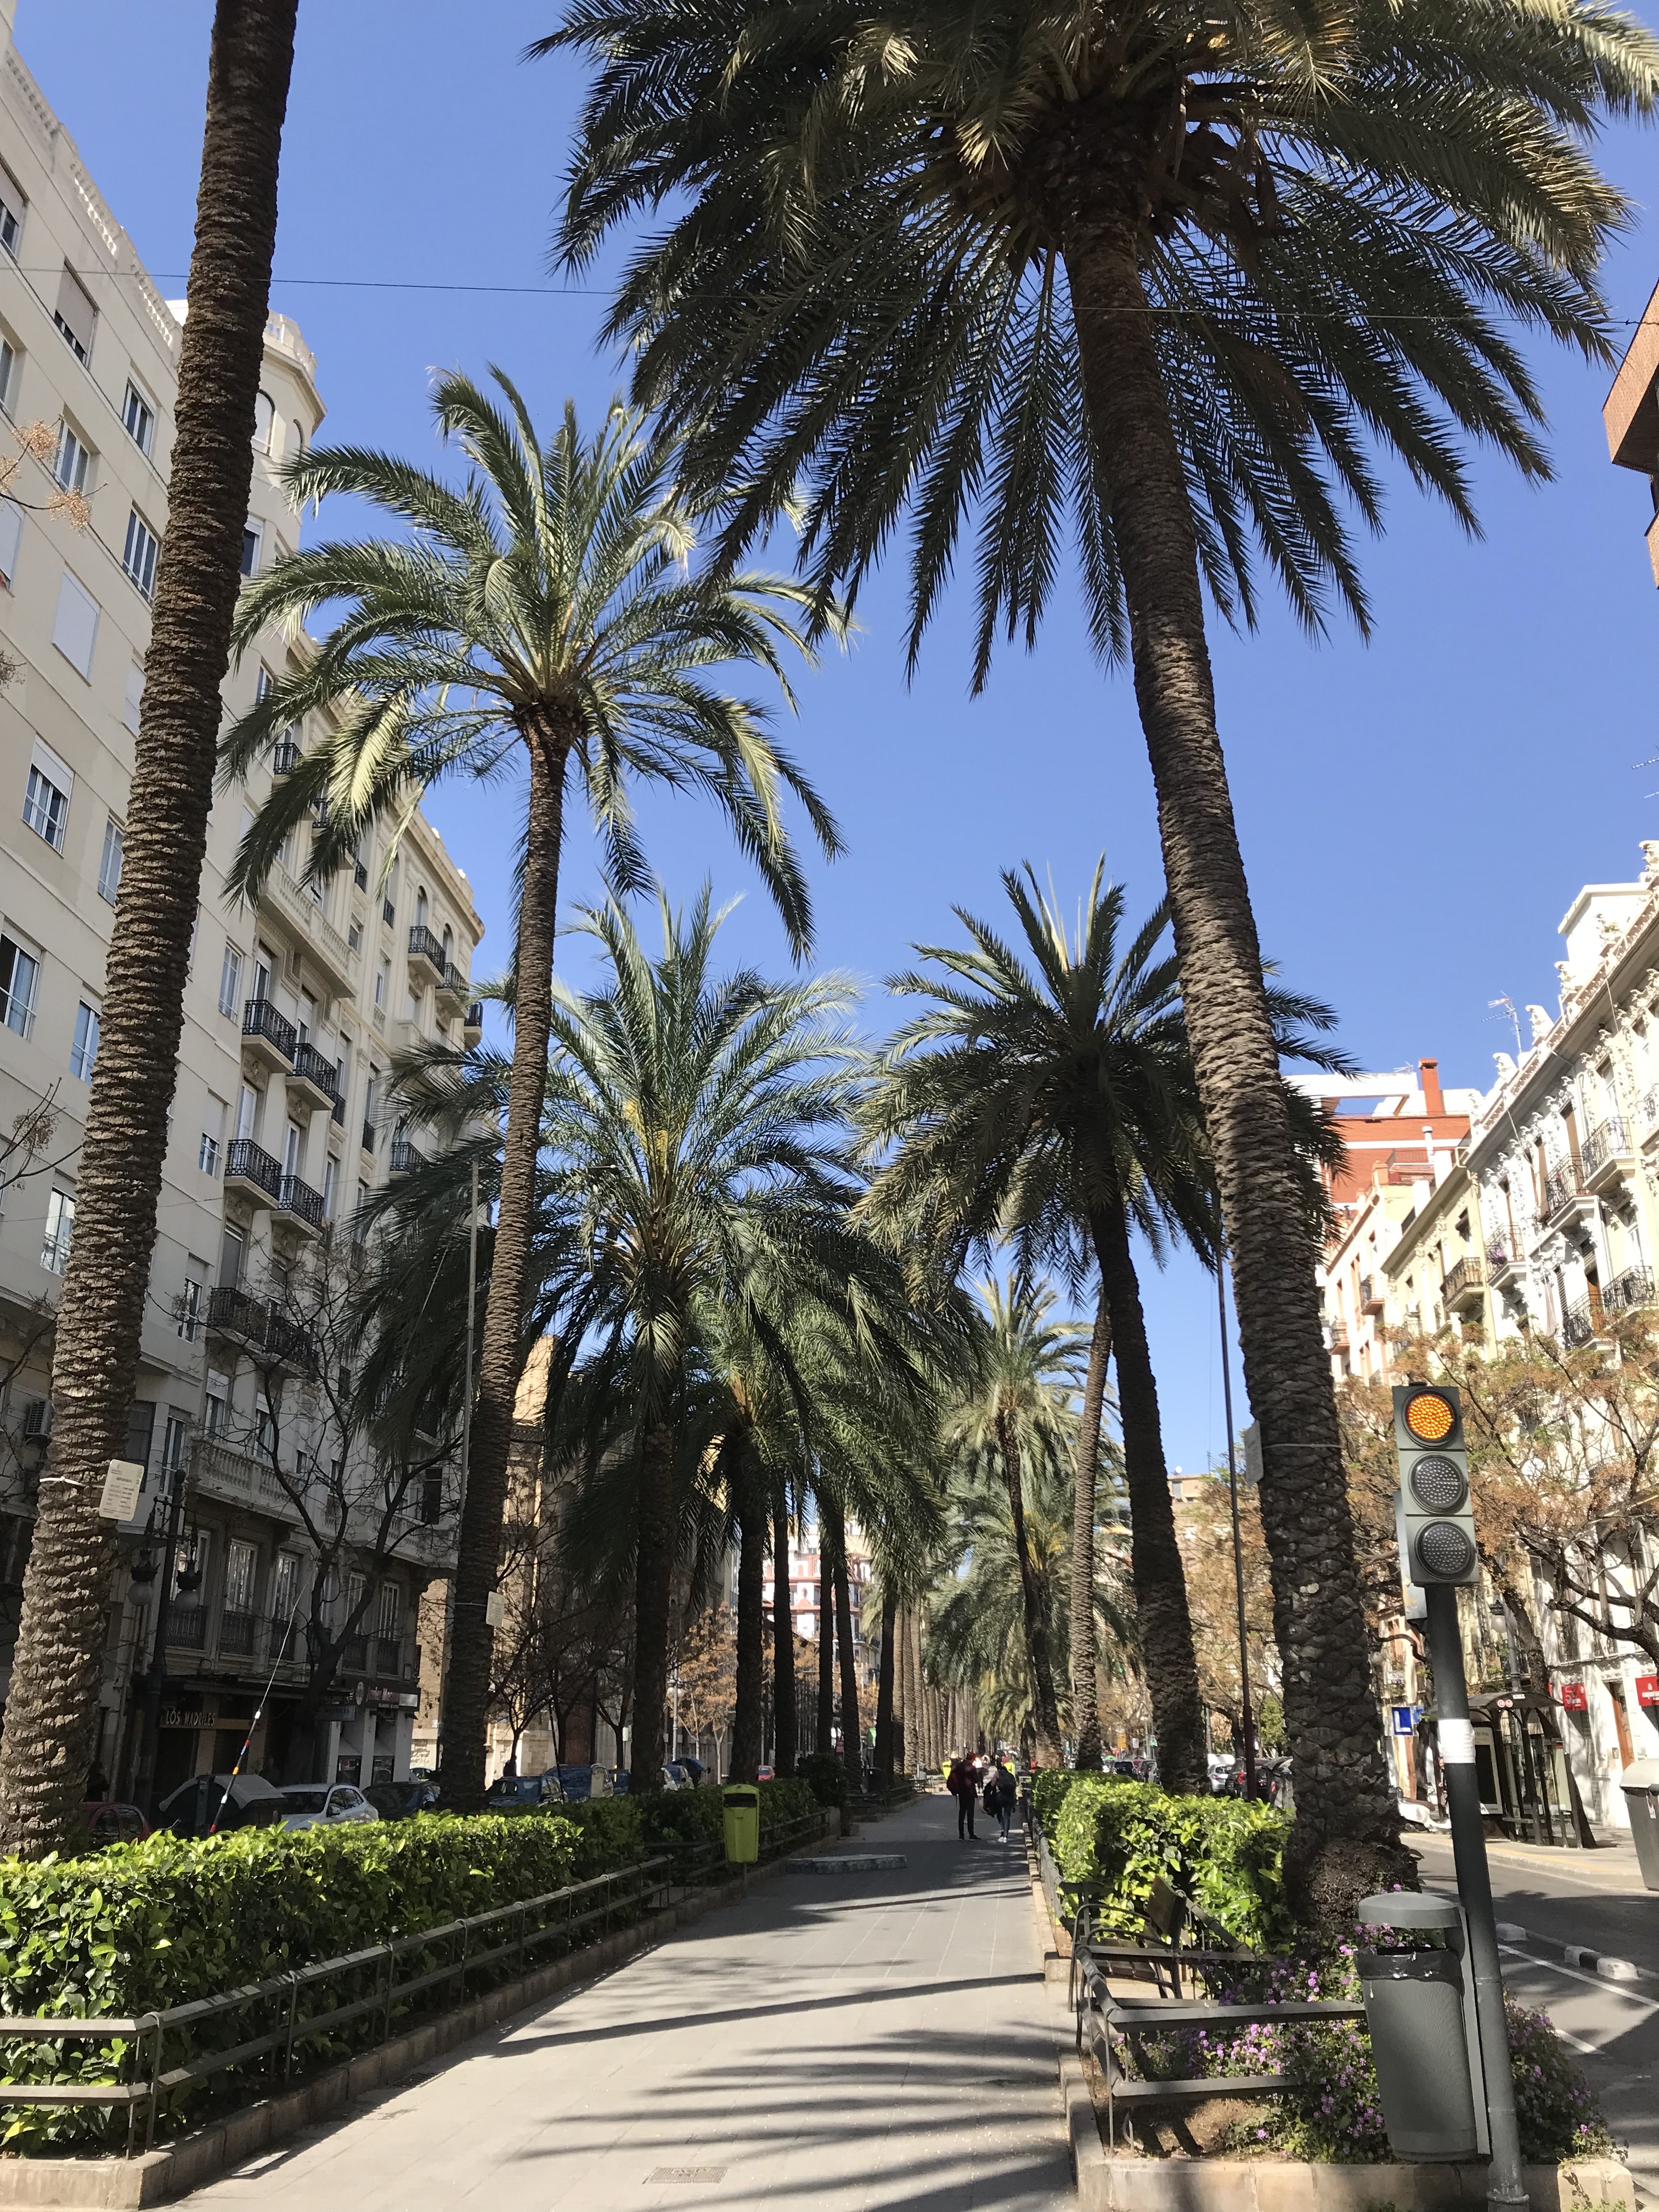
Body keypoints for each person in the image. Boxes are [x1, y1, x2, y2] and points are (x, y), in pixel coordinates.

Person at [947, 1753, 977, 1839]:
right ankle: (971, 1834)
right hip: (970, 1793)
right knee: (970, 1814)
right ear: (972, 1759)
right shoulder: (972, 1768)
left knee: (962, 1813)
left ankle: (961, 1834)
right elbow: (976, 1780)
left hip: (961, 1793)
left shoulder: (958, 1767)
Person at [989, 1758, 1017, 1842]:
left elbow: (992, 1784)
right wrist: (1015, 1802)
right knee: (1007, 1816)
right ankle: (1006, 1836)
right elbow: (1014, 1789)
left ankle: (1002, 1830)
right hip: (1010, 1797)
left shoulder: (998, 1774)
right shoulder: (1011, 1776)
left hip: (1000, 1797)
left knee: (999, 1813)